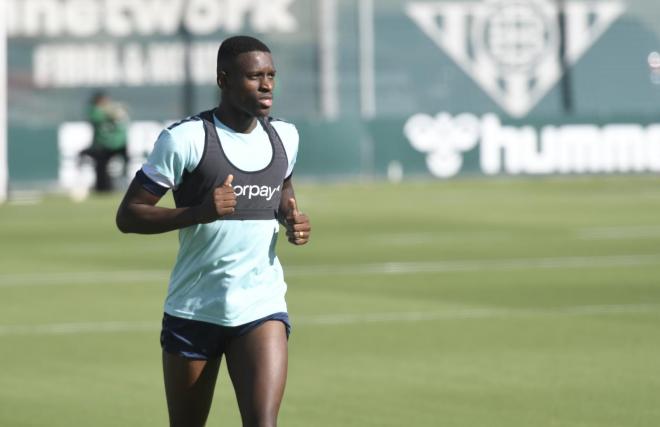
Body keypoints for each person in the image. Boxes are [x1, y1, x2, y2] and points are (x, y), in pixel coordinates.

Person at [115, 35, 311, 427]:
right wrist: (198, 212)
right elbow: (129, 215)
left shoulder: (286, 137)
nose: (267, 84)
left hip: (261, 306)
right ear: (224, 79)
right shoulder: (185, 139)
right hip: (194, 310)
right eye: (255, 76)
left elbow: (282, 192)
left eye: (271, 75)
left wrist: (291, 220)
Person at [80, 91, 129, 192]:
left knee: (125, 164)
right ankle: (102, 188)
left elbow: (121, 114)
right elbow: (97, 116)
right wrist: (111, 111)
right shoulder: (95, 110)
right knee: (101, 168)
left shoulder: (112, 108)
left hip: (118, 143)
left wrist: (116, 111)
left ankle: (125, 183)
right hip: (102, 145)